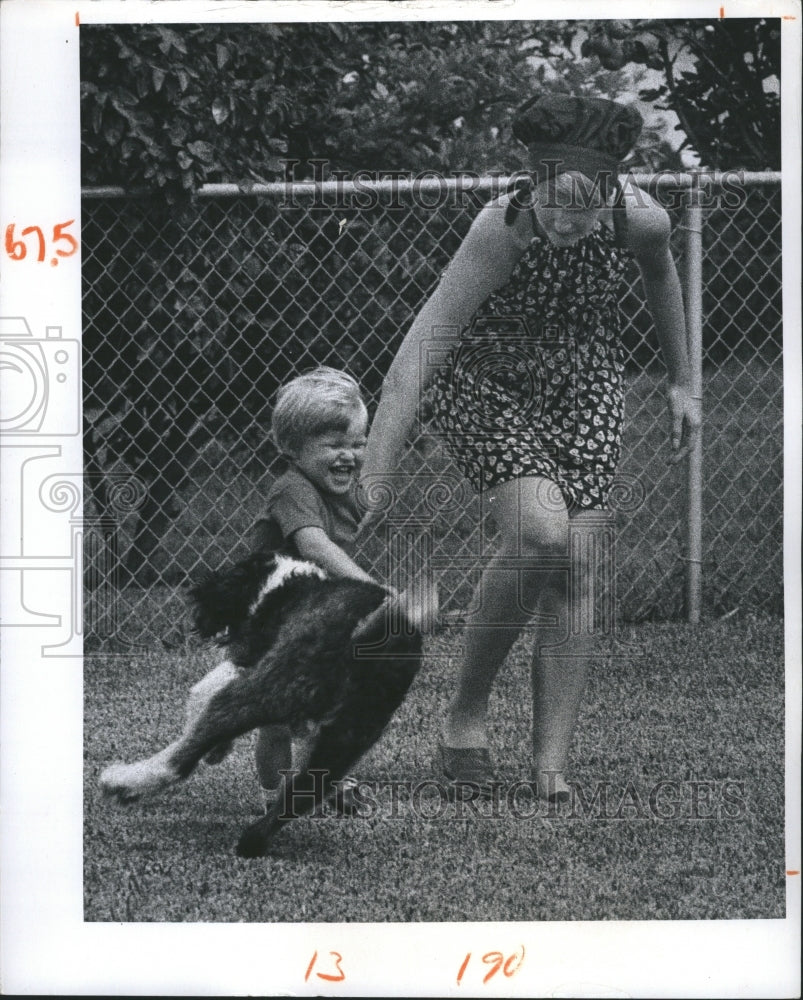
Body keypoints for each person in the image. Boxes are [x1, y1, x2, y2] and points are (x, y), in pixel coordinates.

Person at [359, 94, 701, 802]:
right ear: (533, 184)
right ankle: (465, 719)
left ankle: (549, 765)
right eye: (554, 208)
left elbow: (661, 276)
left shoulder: (640, 219)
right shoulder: (500, 229)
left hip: (585, 381)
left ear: (610, 191)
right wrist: (375, 473)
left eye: (583, 211)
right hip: (486, 381)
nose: (568, 226)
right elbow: (416, 359)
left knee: (575, 564)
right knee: (541, 535)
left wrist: (682, 381)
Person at [250, 365, 375, 808]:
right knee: (278, 719)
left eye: (358, 444)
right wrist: (372, 589)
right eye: (334, 445)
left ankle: (332, 783)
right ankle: (276, 795)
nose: (349, 456)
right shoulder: (292, 489)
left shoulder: (344, 491)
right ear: (292, 448)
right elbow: (315, 545)